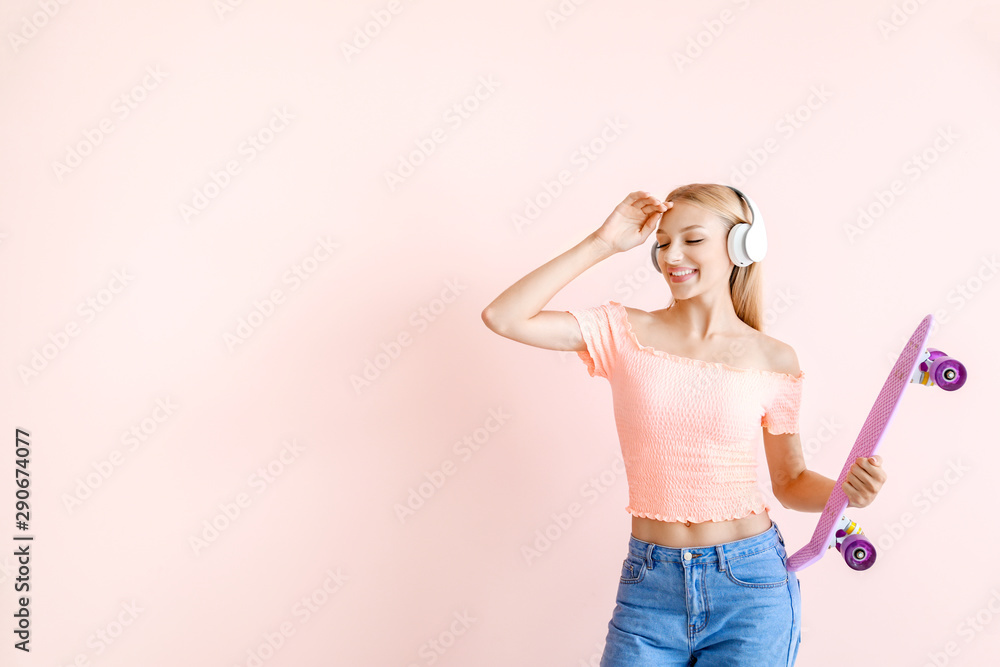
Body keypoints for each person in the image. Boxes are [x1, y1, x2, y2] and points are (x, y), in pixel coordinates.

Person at [481, 185, 887, 666]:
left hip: (752, 587)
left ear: (741, 247)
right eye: (663, 242)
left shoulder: (773, 358)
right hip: (650, 585)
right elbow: (503, 317)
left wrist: (845, 490)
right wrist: (602, 242)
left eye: (693, 240)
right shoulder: (625, 332)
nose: (672, 255)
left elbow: (791, 482)